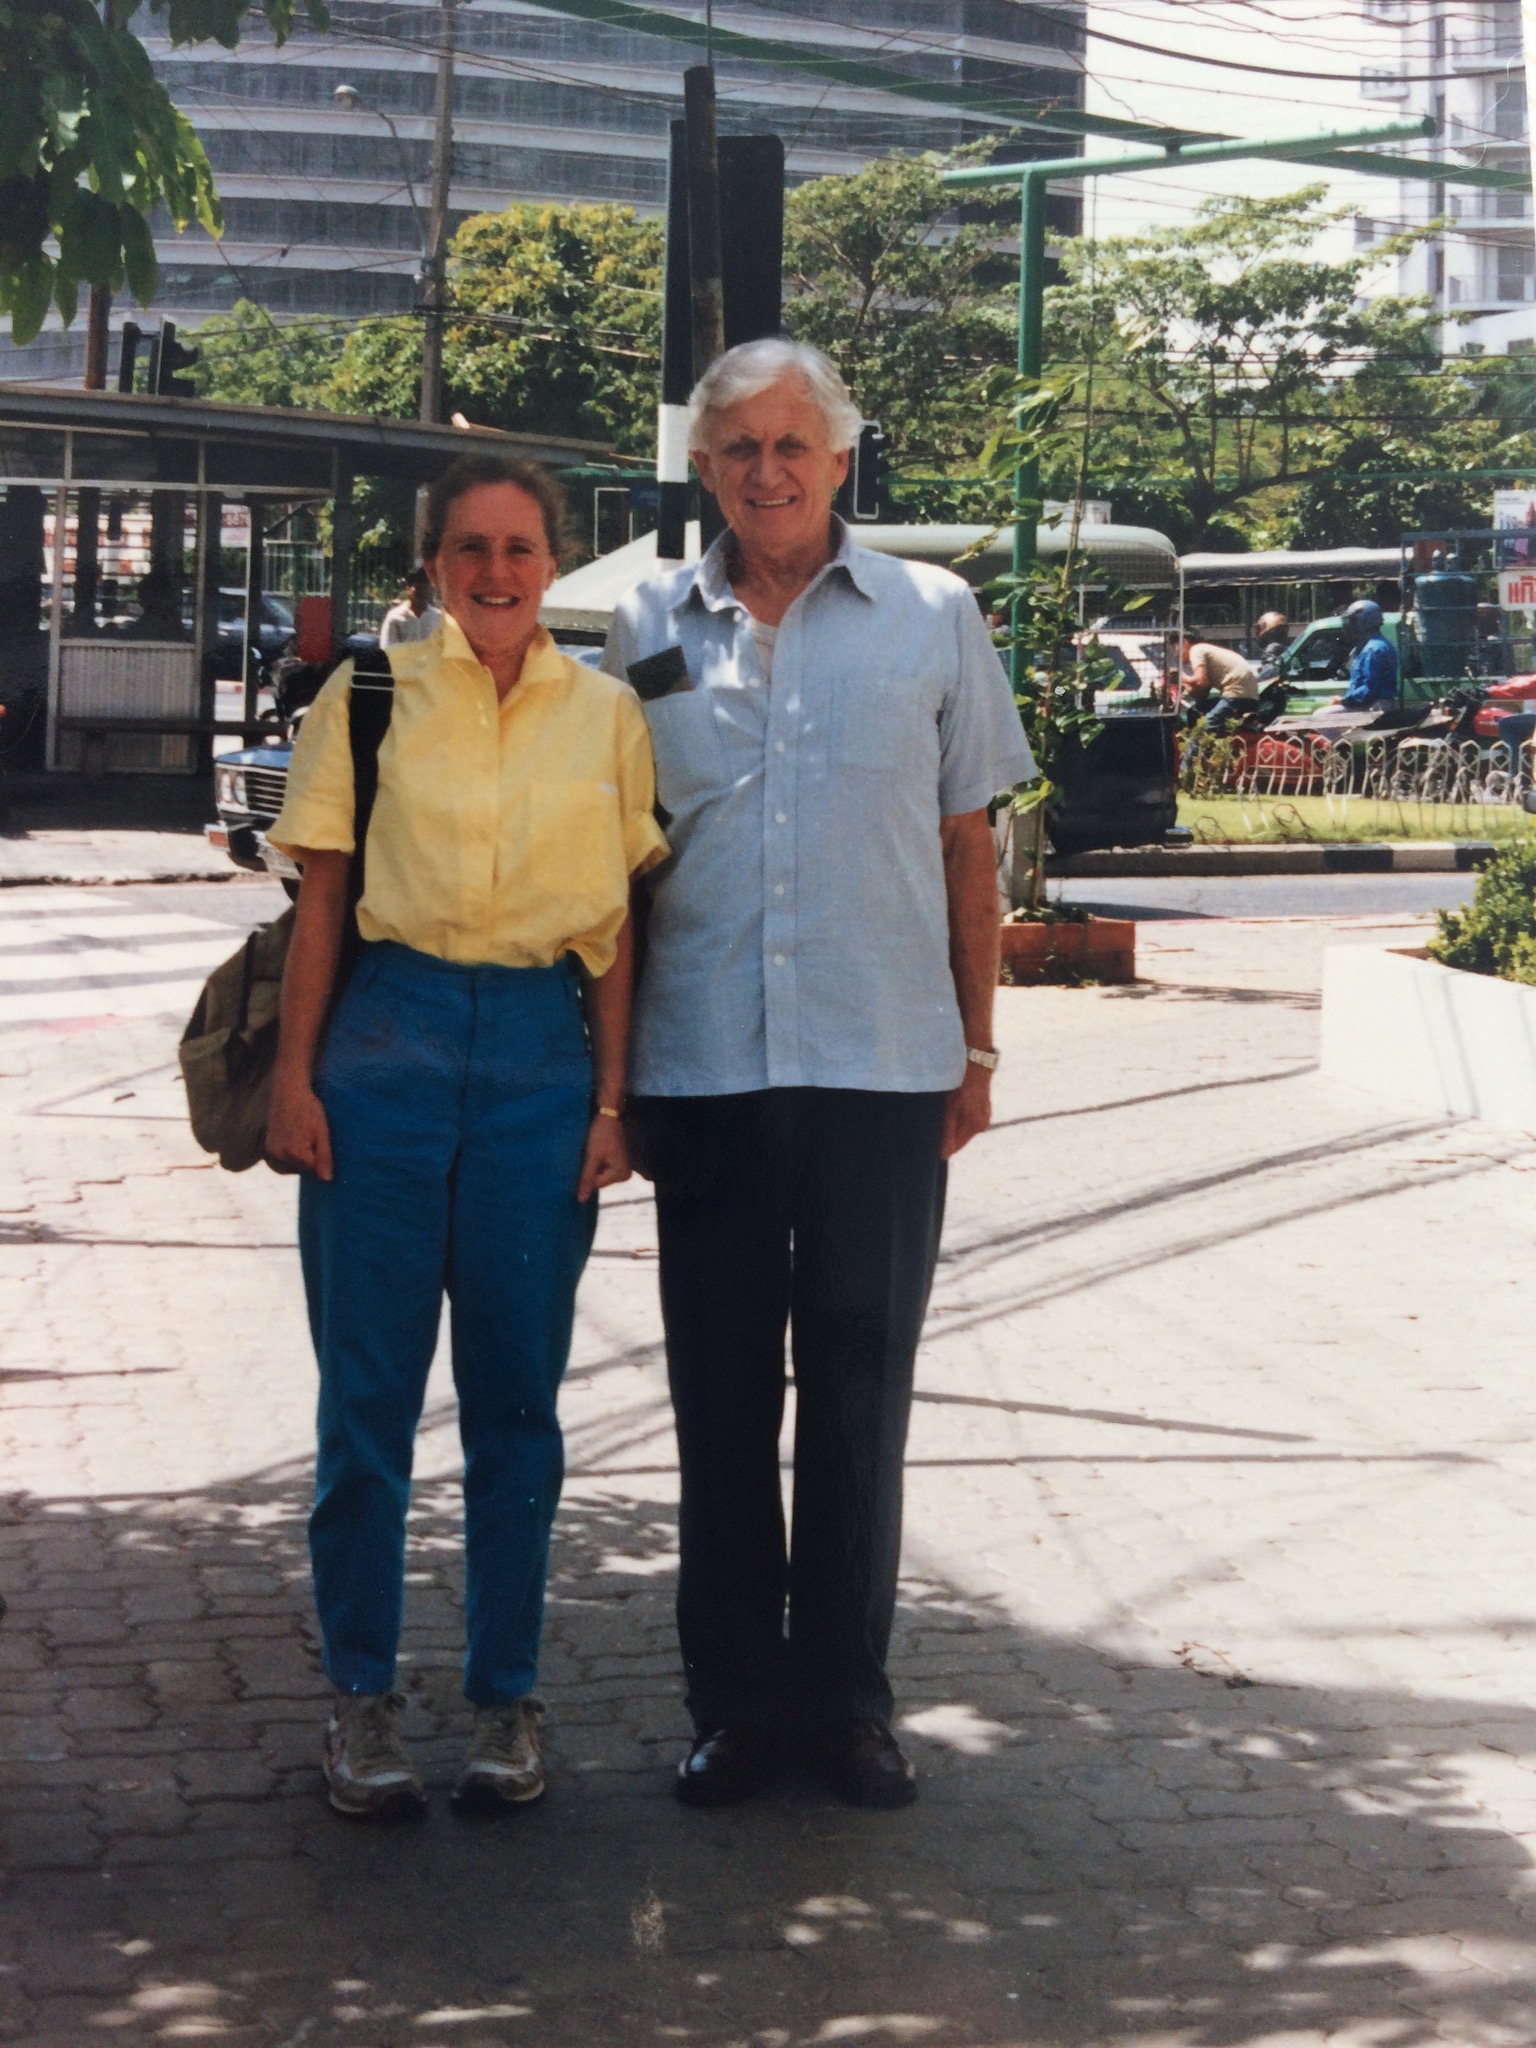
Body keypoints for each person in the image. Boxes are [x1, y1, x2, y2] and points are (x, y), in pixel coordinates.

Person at [603, 338, 1034, 1812]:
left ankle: (848, 1704)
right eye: (741, 448)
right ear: (704, 468)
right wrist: (615, 1087)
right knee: (721, 1399)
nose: (769, 471)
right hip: (705, 1070)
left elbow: (969, 846)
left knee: (859, 1393)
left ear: (842, 458)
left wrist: (976, 1045)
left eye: (795, 444)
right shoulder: (647, 623)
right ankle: (733, 1706)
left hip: (881, 1068)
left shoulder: (932, 614)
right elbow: (624, 867)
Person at [265, 454, 666, 1822]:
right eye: (471, 548)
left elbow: (617, 929)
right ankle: (360, 1696)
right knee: (365, 1401)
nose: (497, 573)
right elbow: (324, 898)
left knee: (516, 1406)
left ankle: (507, 1699)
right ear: (433, 564)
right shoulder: (370, 695)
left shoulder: (606, 713)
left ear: (554, 563)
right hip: (386, 1042)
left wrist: (611, 1105)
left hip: (540, 1065)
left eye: (521, 548)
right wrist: (295, 1079)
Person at [1179, 633, 1259, 737]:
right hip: (1247, 697)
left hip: (1236, 696)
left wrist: (1181, 677)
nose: (1175, 653)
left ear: (1184, 642)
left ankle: (1195, 747)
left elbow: (1199, 682)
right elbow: (1201, 693)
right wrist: (1184, 683)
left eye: (1174, 646)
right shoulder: (1208, 651)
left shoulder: (1196, 650)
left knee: (1205, 727)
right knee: (1195, 711)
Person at [1337, 598, 1400, 709]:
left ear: (1365, 622)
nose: (1350, 626)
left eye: (1353, 621)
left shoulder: (1373, 649)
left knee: (1322, 714)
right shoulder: (1372, 645)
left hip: (1374, 705)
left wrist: (1343, 701)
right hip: (1371, 703)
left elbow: (1370, 688)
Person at [378, 564, 442, 648]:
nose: (423, 592)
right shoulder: (395, 617)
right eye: (418, 588)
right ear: (408, 589)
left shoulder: (437, 617)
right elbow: (387, 649)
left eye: (426, 588)